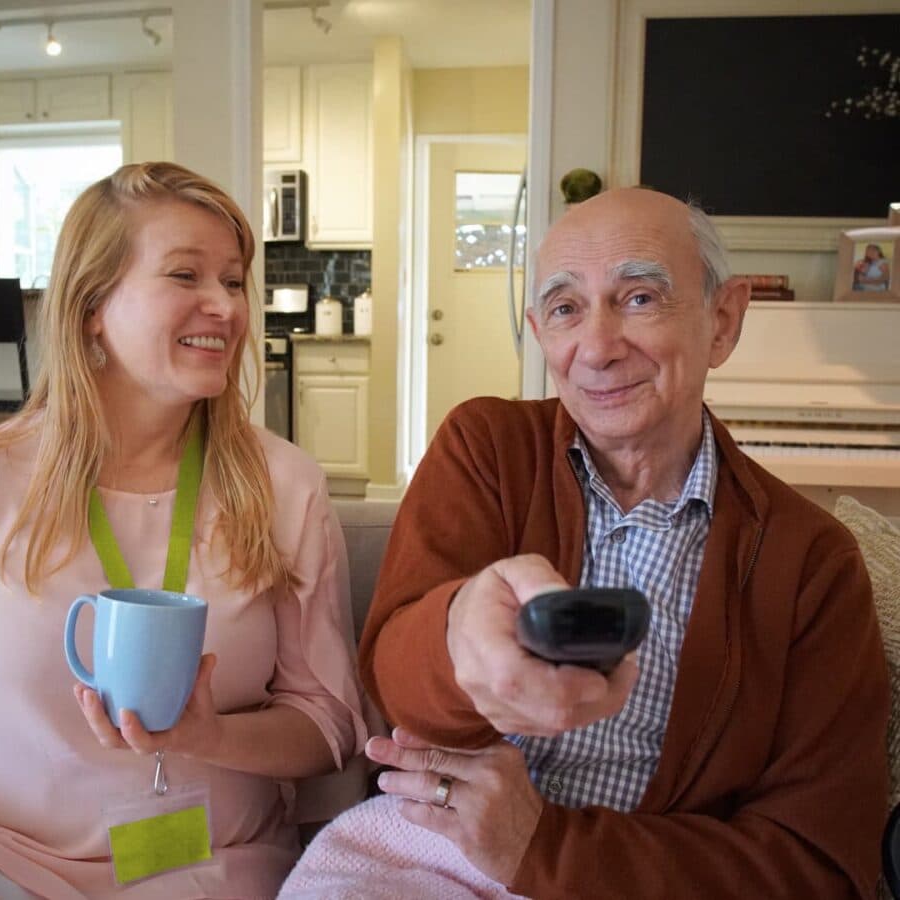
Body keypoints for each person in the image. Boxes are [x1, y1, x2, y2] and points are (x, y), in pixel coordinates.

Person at [279, 188, 888, 899]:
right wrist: (456, 633)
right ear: (540, 332)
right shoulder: (488, 450)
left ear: (723, 322)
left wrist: (544, 846)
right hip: (429, 860)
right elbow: (395, 676)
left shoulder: (813, 562)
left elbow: (819, 863)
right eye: (567, 308)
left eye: (638, 298)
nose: (596, 349)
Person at [0, 162, 368, 899]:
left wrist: (209, 735)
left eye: (235, 280)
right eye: (185, 276)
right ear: (92, 305)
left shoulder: (285, 487)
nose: (224, 305)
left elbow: (330, 726)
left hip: (216, 871)